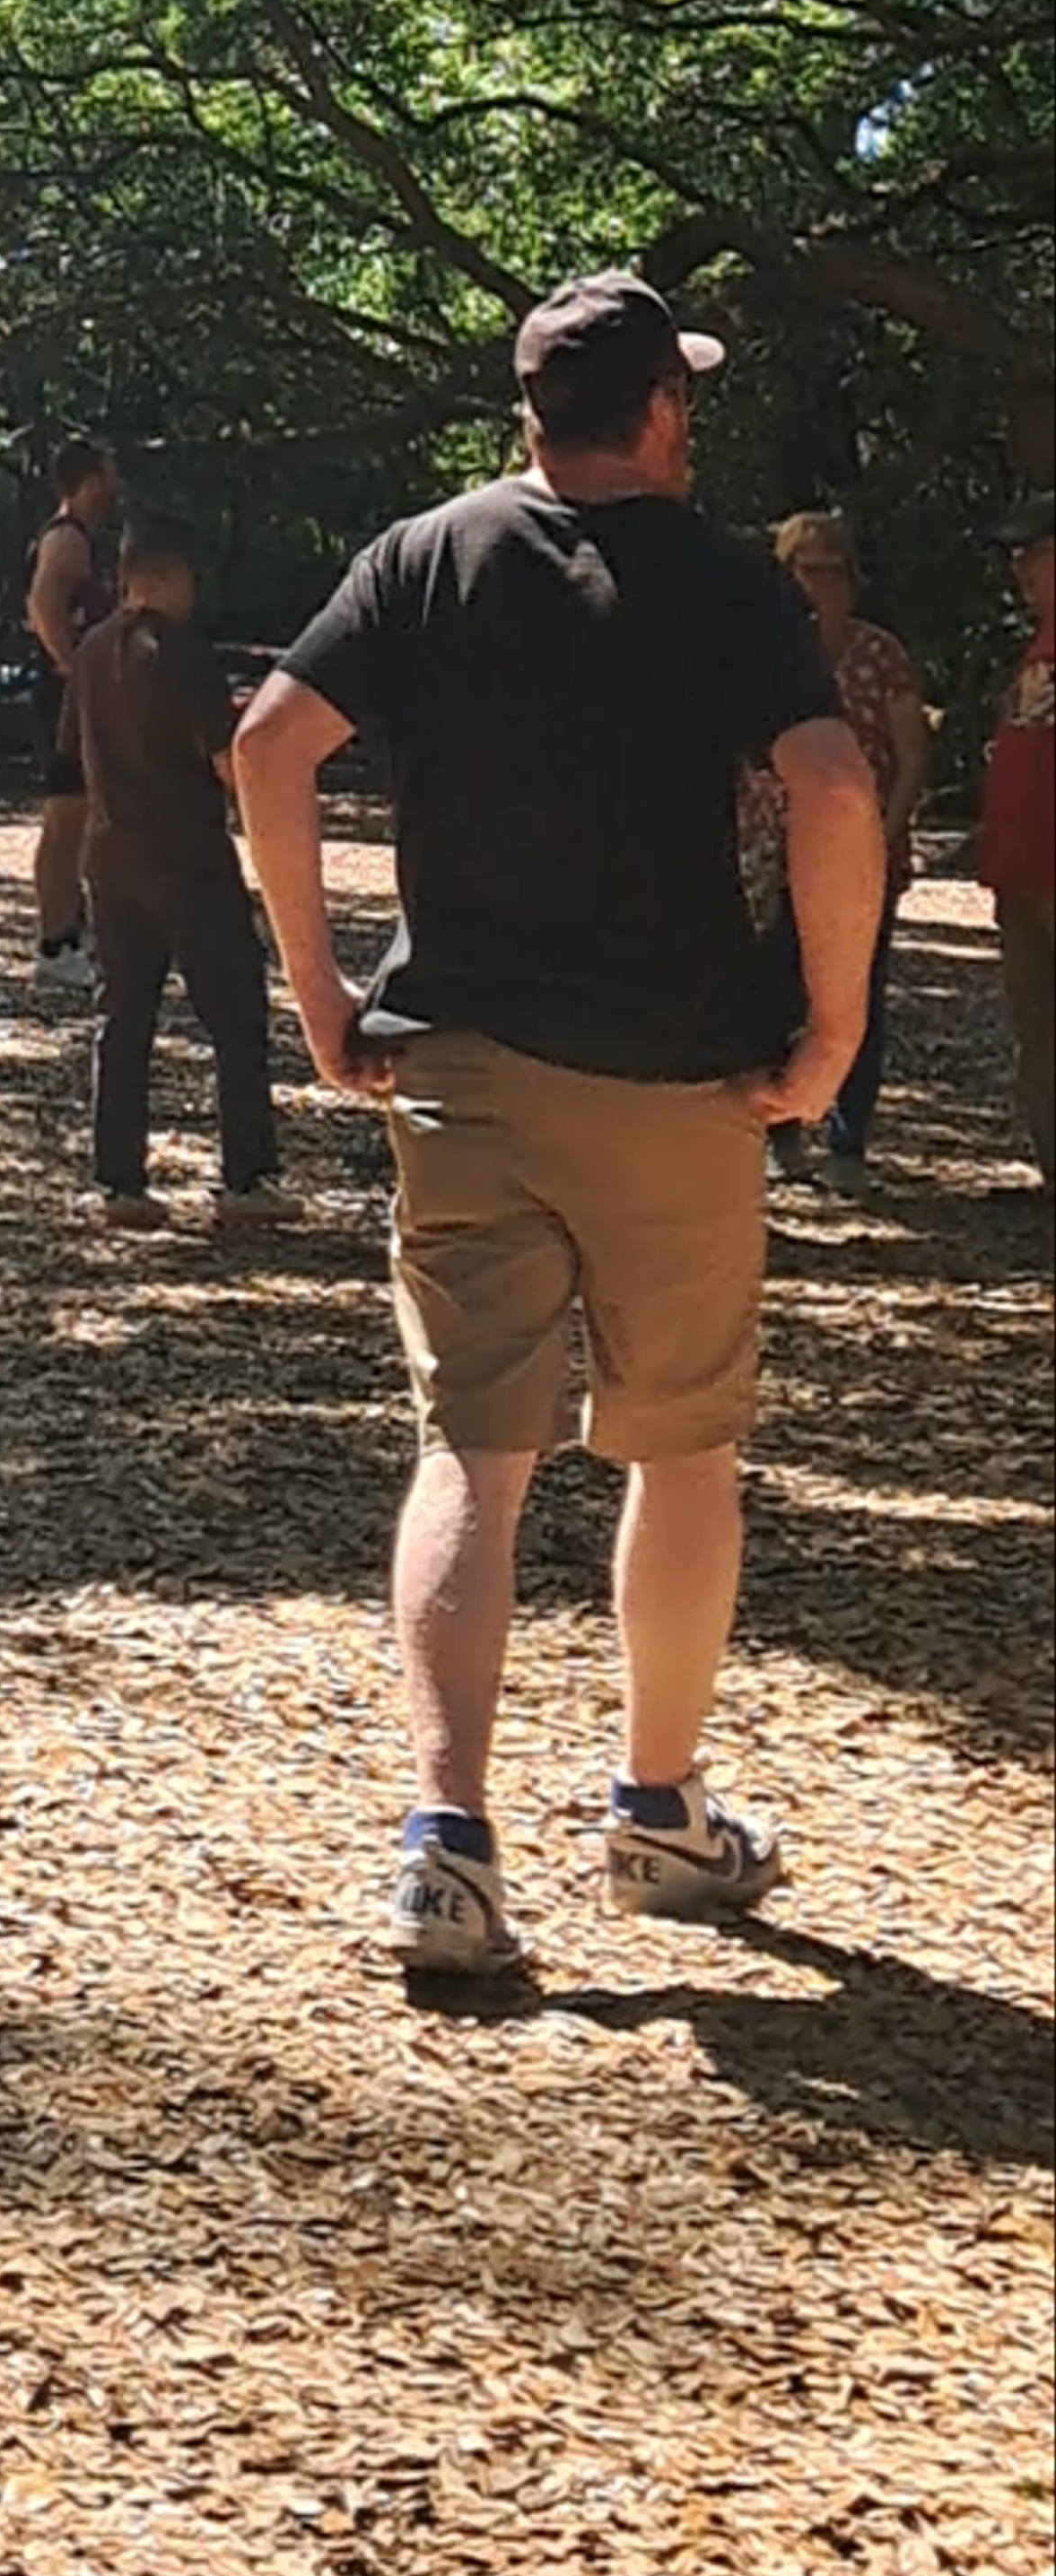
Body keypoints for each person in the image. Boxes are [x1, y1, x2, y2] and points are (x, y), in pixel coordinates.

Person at [230, 270, 884, 1994]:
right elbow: (833, 786)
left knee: (472, 1446)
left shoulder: (423, 557)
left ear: (532, 416)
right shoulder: (730, 585)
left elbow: (266, 744)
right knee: (682, 1448)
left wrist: (318, 993)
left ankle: (447, 1846)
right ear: (660, 411)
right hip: (678, 1083)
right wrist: (831, 1029)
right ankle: (659, 1814)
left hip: (461, 1069)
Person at [70, 514, 281, 1223]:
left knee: (123, 1018)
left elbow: (80, 752)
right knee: (235, 1014)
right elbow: (224, 760)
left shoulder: (92, 653)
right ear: (159, 576)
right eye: (187, 577)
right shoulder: (184, 654)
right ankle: (246, 1177)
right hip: (188, 855)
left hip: (109, 856)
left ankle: (118, 1181)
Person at [768, 511, 931, 1197]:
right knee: (772, 987)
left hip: (862, 854)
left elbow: (913, 755)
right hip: (773, 852)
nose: (818, 585)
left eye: (832, 570)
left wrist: (886, 834)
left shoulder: (880, 654)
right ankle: (779, 1131)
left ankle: (847, 1137)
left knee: (858, 991)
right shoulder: (767, 655)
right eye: (806, 569)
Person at [23, 439, 120, 993]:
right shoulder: (66, 541)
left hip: (74, 695)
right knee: (64, 822)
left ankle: (71, 934)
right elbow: (41, 607)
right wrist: (73, 668)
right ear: (90, 481)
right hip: (64, 697)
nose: (115, 483)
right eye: (110, 473)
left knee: (78, 819)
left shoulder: (78, 539)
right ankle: (55, 945)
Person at [976, 500, 1054, 1181]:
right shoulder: (1038, 646)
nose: (1019, 568)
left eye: (1034, 552)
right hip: (1022, 873)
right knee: (1037, 1031)